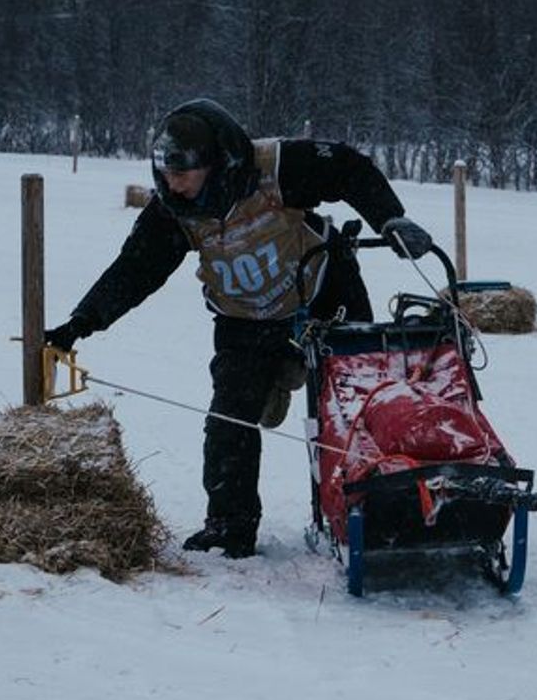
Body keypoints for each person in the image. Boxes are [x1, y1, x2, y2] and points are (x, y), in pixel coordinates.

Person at [42, 98, 435, 558]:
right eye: (166, 175)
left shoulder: (276, 166)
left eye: (183, 175)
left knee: (356, 405)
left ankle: (382, 504)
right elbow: (135, 270)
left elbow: (349, 168)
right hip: (243, 320)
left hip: (325, 295)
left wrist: (389, 217)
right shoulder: (172, 209)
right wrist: (81, 323)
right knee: (229, 420)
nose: (173, 184)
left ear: (217, 164)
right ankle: (230, 525)